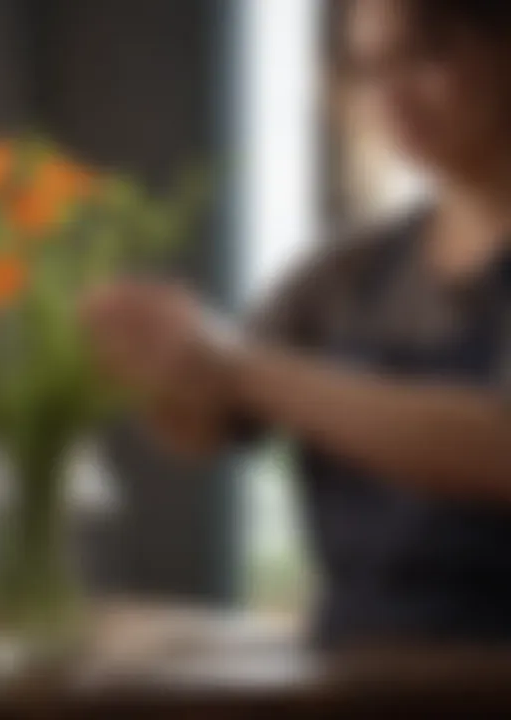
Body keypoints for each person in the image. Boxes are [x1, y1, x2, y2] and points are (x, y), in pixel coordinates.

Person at [81, 0, 511, 650]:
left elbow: (496, 447)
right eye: (369, 69)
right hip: (351, 677)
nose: (390, 96)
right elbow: (208, 424)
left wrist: (240, 368)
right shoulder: (347, 272)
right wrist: (153, 360)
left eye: (426, 57)